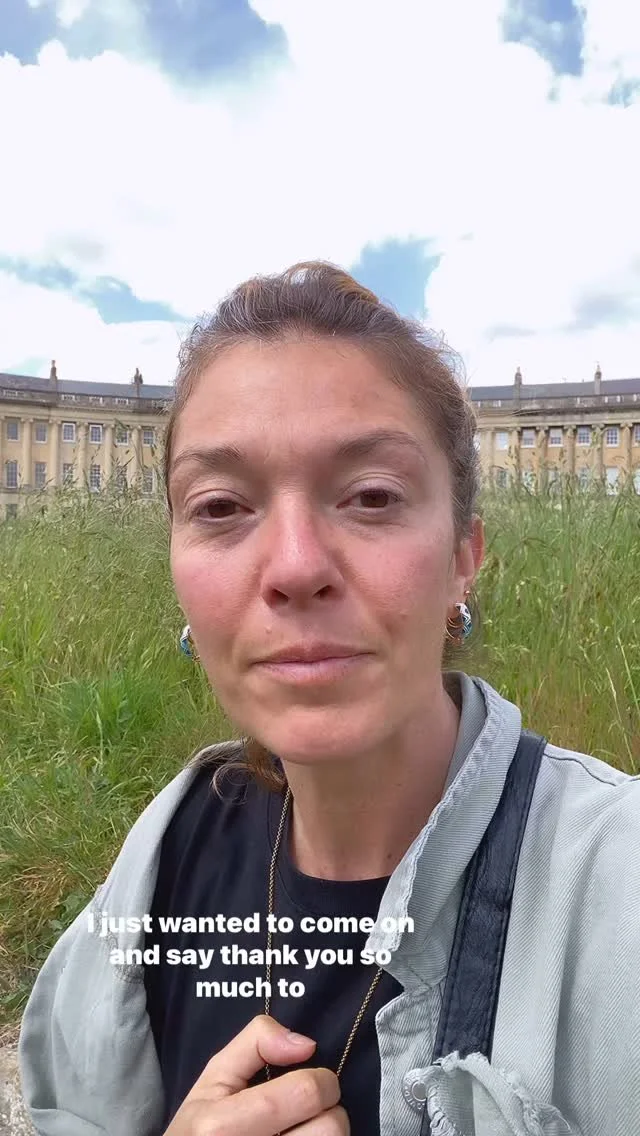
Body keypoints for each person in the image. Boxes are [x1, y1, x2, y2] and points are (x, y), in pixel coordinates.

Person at [18, 261, 640, 1136]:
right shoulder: (162, 856)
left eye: (372, 496)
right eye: (221, 506)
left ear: (463, 558)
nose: (296, 566)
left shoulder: (618, 887)